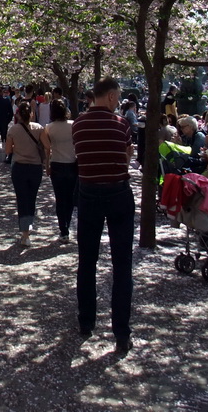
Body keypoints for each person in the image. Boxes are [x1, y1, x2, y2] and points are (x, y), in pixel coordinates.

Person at [72, 78, 135, 352]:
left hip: (88, 192)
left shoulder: (79, 125)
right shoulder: (121, 125)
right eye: (117, 96)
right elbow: (126, 157)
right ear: (110, 96)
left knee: (87, 260)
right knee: (122, 265)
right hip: (118, 193)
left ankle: (86, 321)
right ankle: (121, 332)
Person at [5, 101, 48, 246]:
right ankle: (28, 227)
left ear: (18, 114)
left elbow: (8, 151)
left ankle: (25, 233)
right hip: (35, 168)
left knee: (22, 198)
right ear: (31, 114)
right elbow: (47, 146)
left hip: (19, 168)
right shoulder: (39, 128)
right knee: (32, 198)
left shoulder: (13, 130)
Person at [46, 99, 77, 242]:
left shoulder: (49, 127)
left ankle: (62, 229)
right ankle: (67, 225)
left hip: (56, 164)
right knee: (69, 198)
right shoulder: (73, 125)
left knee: (59, 198)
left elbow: (47, 149)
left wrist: (47, 165)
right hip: (71, 163)